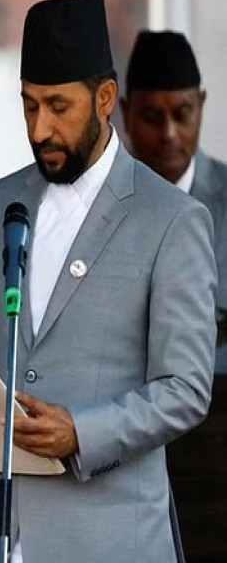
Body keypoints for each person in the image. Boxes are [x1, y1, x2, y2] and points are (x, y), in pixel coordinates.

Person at [0, 0, 216, 563]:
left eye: (58, 106)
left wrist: (83, 431)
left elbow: (185, 389)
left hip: (109, 539)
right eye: (28, 105)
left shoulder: (170, 219)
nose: (41, 127)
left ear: (104, 99)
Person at [121, 29, 227, 563]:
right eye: (151, 115)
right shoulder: (106, 209)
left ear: (202, 107)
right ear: (122, 111)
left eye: (182, 113)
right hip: (127, 450)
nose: (168, 132)